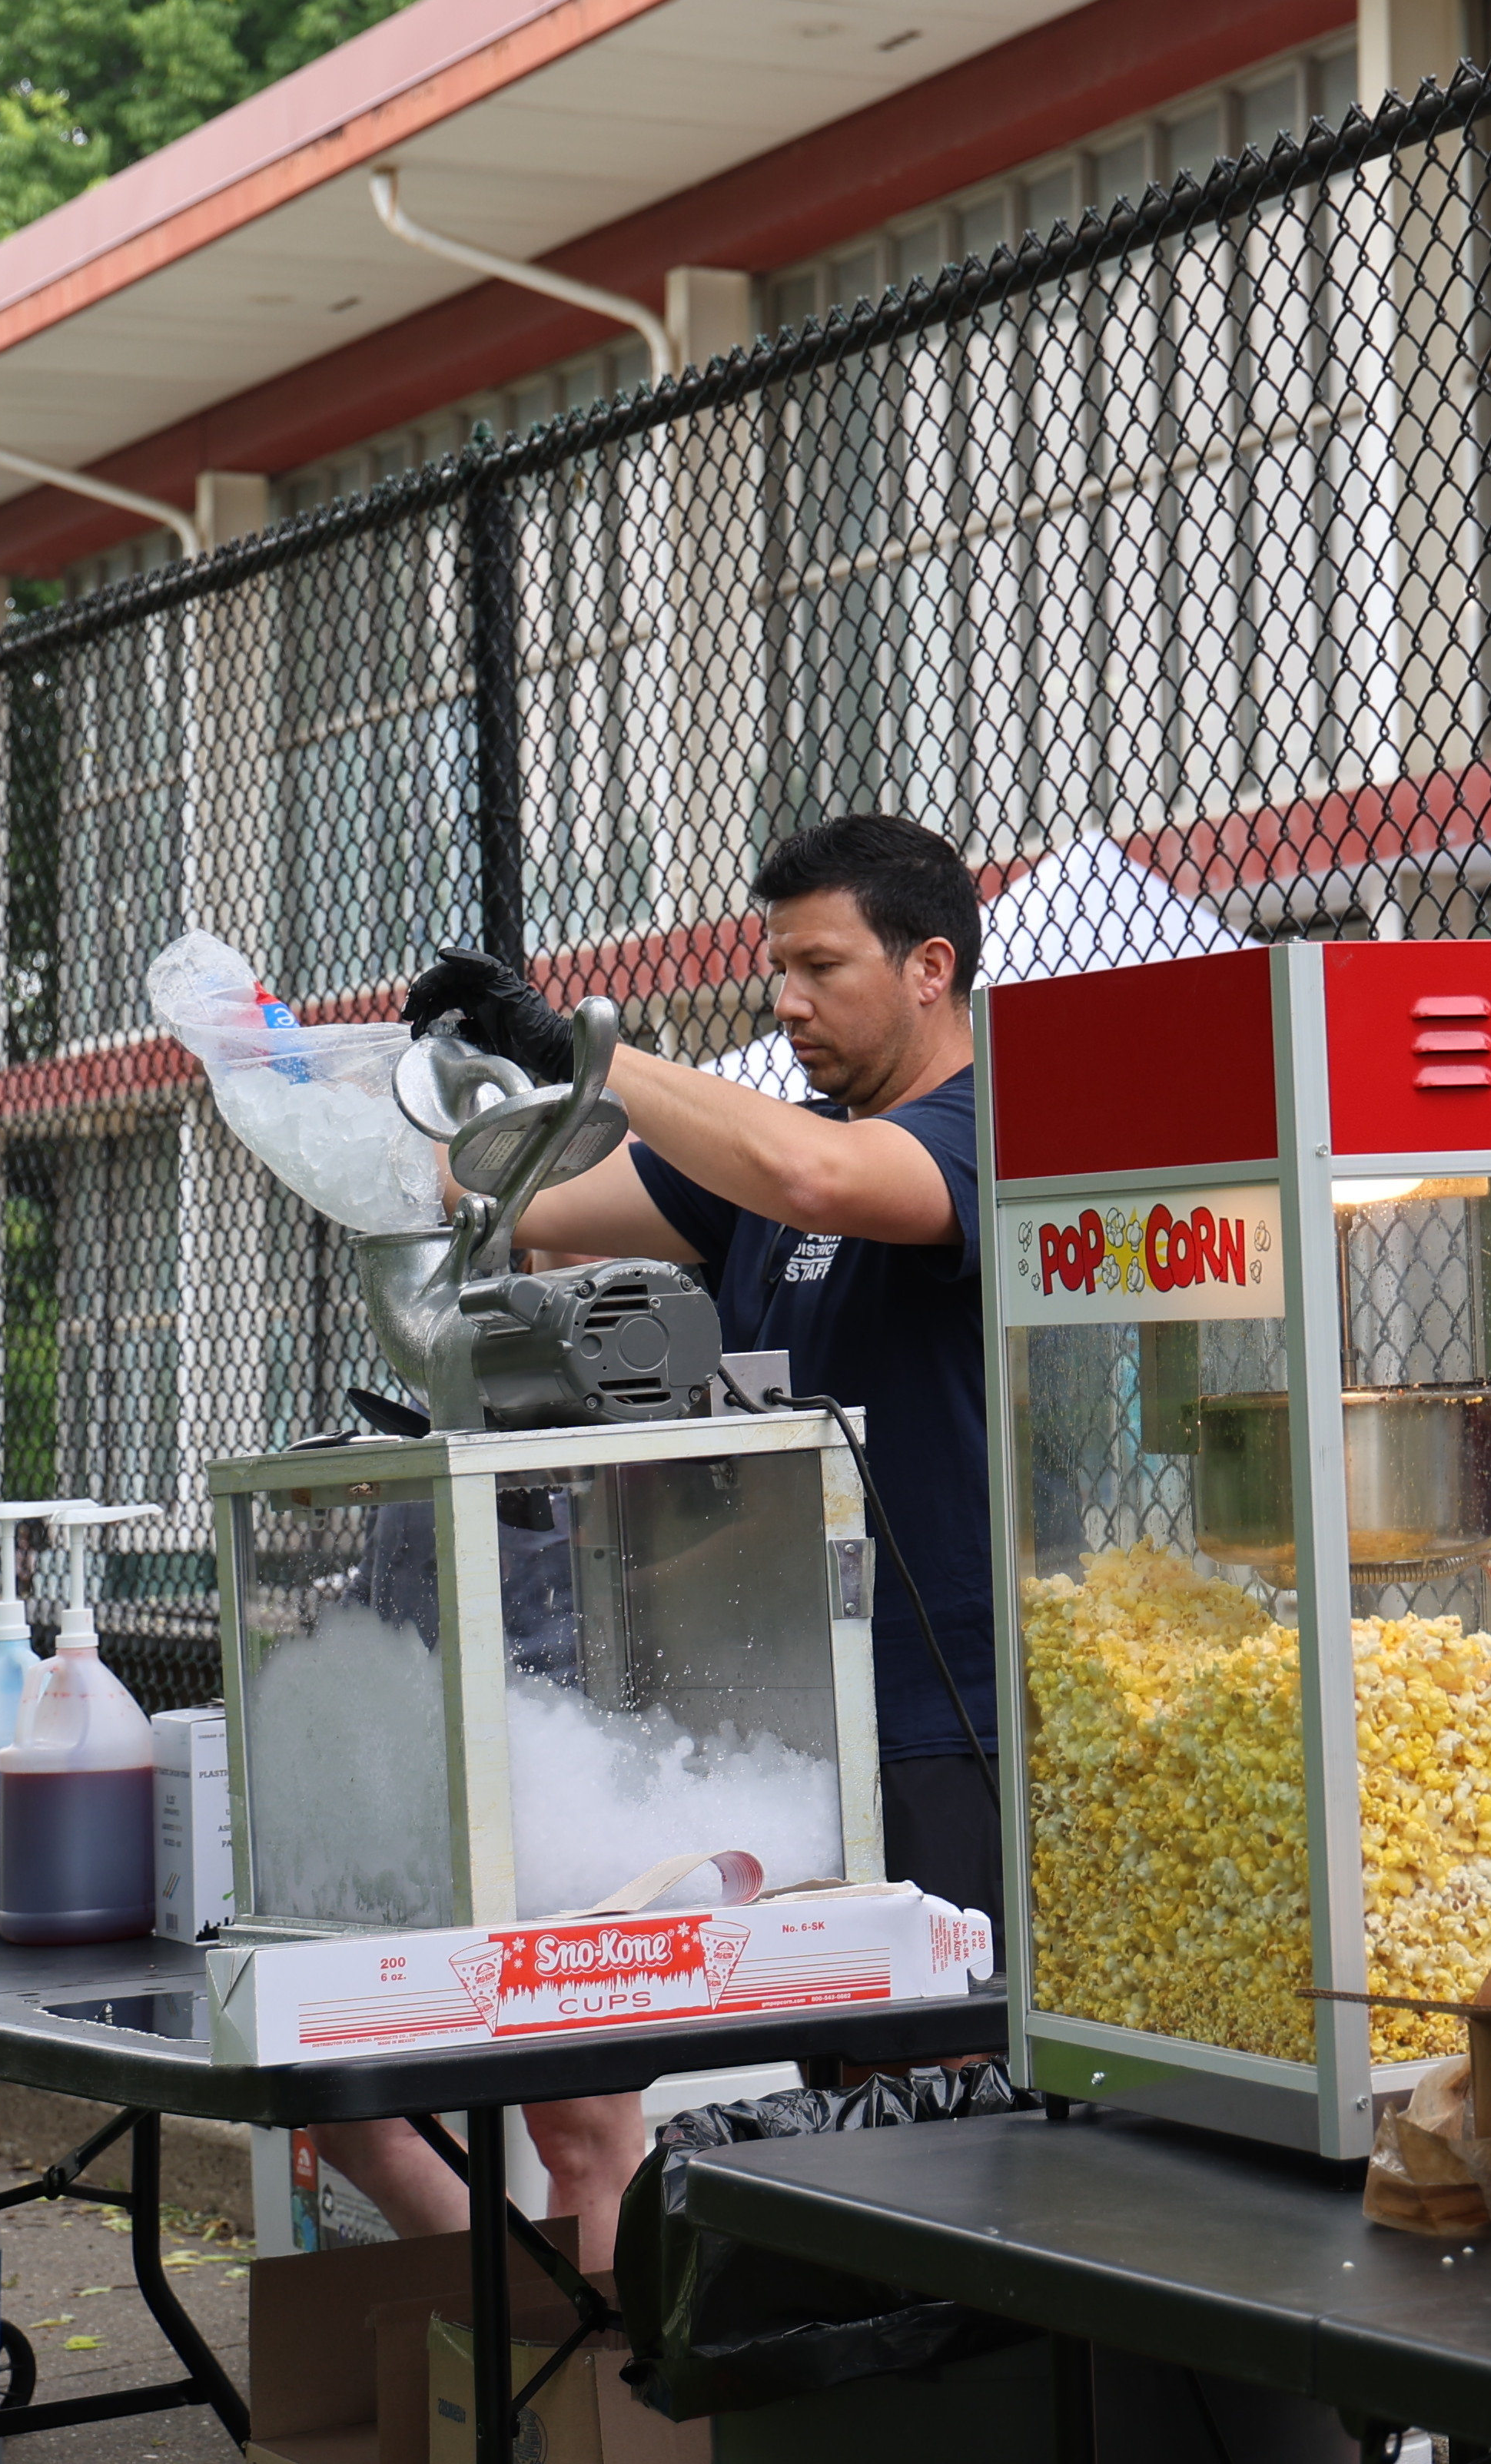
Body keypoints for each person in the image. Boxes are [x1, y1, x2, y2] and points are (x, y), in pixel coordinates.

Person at [311, 811, 999, 2240]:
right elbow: (514, 1200)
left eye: (820, 966)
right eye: (775, 968)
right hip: (783, 1725)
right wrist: (402, 1090)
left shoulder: (979, 1132)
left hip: (949, 1723)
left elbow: (820, 1182)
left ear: (931, 966)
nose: (786, 1001)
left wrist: (592, 1054)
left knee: (950, 2104)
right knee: (831, 2093)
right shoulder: (768, 1163)